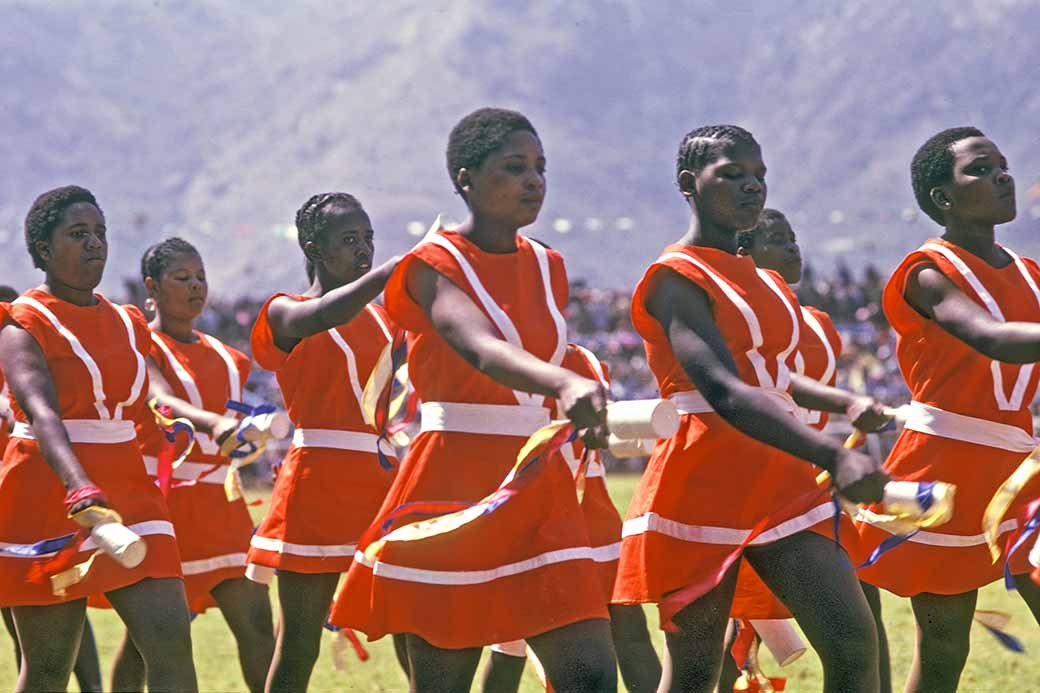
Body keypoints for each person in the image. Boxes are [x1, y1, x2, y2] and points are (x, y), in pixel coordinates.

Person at [330, 107, 618, 693]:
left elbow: (543, 357)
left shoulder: (548, 265)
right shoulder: (428, 263)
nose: (534, 180)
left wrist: (579, 404)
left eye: (541, 167)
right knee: (443, 682)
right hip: (454, 481)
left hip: (539, 483)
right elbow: (477, 343)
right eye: (515, 168)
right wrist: (562, 384)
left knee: (588, 673)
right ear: (464, 178)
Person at [611, 126, 888, 693]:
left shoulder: (763, 280)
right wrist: (830, 452)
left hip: (780, 479)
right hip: (704, 477)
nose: (751, 187)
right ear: (689, 184)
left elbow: (778, 379)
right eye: (732, 175)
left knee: (854, 646)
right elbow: (723, 389)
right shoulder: (674, 278)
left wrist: (846, 406)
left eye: (759, 175)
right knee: (694, 671)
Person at [857, 127, 1040, 692]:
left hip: (1022, 472)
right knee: (943, 647)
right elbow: (991, 337)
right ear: (943, 198)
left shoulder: (1030, 272)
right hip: (946, 470)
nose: (1002, 176)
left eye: (1003, 165)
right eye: (980, 170)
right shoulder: (926, 271)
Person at [0, 185, 197, 691]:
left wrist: (167, 434)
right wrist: (81, 490)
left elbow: (133, 410)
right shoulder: (22, 322)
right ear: (44, 250)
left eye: (100, 233)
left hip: (131, 493)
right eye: (78, 234)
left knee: (172, 646)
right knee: (47, 669)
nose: (95, 244)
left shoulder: (130, 323)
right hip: (49, 491)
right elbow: (42, 413)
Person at [731, 208, 894, 693]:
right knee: (726, 631)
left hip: (810, 489)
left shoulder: (820, 323)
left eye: (794, 239)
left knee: (864, 609)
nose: (793, 249)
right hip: (748, 486)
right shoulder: (733, 317)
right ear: (744, 254)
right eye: (779, 241)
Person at [106, 237, 275, 692]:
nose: (196, 286)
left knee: (259, 625)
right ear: (151, 287)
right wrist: (216, 424)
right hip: (163, 505)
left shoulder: (229, 357)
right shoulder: (141, 346)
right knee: (151, 641)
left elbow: (242, 425)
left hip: (222, 504)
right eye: (182, 278)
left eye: (200, 276)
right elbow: (161, 399)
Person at [246, 192, 400, 692]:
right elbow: (328, 316)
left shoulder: (385, 321)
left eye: (369, 239)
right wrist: (391, 274)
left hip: (380, 484)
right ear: (312, 247)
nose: (364, 250)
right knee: (299, 644)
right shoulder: (286, 313)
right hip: (315, 483)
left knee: (412, 626)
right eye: (349, 240)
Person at [479, 343, 661, 693]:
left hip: (590, 509)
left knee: (629, 628)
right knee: (510, 645)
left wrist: (607, 431)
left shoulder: (585, 359)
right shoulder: (506, 355)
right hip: (535, 511)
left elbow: (596, 432)